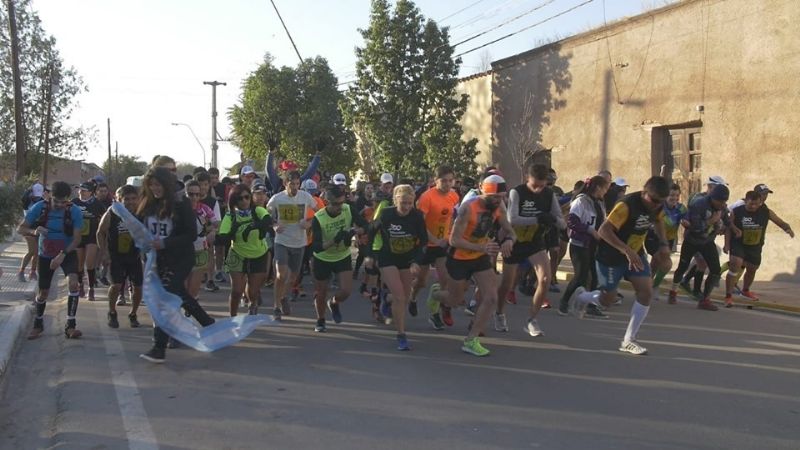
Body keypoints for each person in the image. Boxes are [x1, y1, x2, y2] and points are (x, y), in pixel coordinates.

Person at [425, 175, 516, 356]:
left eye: (502, 197)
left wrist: (509, 240)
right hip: (458, 258)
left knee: (491, 297)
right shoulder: (469, 208)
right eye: (495, 197)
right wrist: (481, 246)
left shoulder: (498, 207)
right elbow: (454, 239)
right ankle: (435, 295)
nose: (499, 201)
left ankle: (471, 340)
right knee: (455, 300)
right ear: (484, 192)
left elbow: (511, 231)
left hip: (480, 257)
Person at [596, 176, 671, 355]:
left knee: (646, 292)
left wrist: (664, 243)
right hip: (612, 255)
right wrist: (626, 250)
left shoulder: (657, 205)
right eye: (654, 200)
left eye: (661, 202)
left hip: (636, 253)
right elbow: (603, 231)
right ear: (644, 192)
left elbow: (659, 221)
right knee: (608, 299)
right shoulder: (626, 205)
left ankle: (629, 339)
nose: (656, 205)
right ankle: (584, 297)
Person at [495, 164, 565, 336]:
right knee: (507, 283)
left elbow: (561, 221)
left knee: (545, 278)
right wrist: (537, 218)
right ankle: (499, 312)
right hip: (514, 240)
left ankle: (532, 320)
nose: (538, 189)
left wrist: (553, 220)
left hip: (535, 241)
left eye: (542, 185)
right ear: (528, 178)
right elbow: (512, 219)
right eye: (535, 185)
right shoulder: (516, 192)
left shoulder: (548, 194)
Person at [18, 181, 84, 339]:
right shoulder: (39, 207)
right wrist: (34, 230)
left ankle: (70, 325)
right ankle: (38, 324)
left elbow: (77, 239)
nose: (60, 205)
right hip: (45, 255)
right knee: (43, 293)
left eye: (64, 201)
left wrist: (62, 254)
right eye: (56, 201)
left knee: (73, 282)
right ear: (49, 197)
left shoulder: (74, 211)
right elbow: (20, 228)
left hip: (67, 252)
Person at [368, 185, 427, 349]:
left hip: (407, 259)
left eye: (410, 203)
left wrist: (417, 260)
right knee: (400, 297)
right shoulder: (387, 214)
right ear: (395, 201)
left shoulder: (417, 216)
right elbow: (371, 231)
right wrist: (369, 255)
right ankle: (401, 335)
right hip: (388, 258)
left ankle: (386, 300)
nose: (407, 207)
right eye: (403, 203)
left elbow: (423, 241)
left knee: (404, 298)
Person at [310, 185, 369, 332]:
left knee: (347, 290)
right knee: (321, 292)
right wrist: (334, 241)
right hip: (322, 258)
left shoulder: (347, 209)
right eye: (335, 204)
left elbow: (366, 226)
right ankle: (320, 320)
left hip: (342, 255)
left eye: (342, 203)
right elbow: (316, 247)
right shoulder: (318, 218)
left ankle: (334, 302)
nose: (339, 207)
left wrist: (354, 231)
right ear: (326, 202)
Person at [724, 190, 794, 306]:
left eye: (756, 204)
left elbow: (778, 221)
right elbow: (728, 228)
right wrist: (727, 244)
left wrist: (787, 229)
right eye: (750, 204)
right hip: (739, 243)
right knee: (735, 264)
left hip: (755, 246)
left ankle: (745, 290)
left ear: (760, 203)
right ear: (745, 201)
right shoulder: (736, 211)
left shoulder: (766, 212)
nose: (753, 206)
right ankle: (728, 296)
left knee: (752, 268)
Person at [266, 170, 318, 320]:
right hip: (281, 241)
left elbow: (321, 213)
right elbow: (266, 216)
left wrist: (309, 223)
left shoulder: (305, 196)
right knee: (281, 275)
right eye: (292, 184)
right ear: (285, 184)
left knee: (293, 276)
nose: (295, 187)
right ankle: (276, 307)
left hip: (299, 243)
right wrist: (275, 225)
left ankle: (283, 297)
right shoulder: (277, 199)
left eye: (297, 184)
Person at [670, 183, 731, 311]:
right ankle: (673, 291)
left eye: (724, 201)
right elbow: (695, 228)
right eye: (719, 201)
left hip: (707, 242)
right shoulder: (699, 205)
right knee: (683, 266)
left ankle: (705, 299)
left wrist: (728, 228)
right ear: (713, 198)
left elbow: (727, 221)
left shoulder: (722, 208)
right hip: (692, 240)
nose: (722, 204)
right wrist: (711, 221)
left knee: (715, 270)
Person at [410, 165, 459, 320]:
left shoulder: (454, 196)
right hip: (426, 244)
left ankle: (438, 310)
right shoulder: (426, 197)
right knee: (421, 281)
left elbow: (454, 218)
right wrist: (435, 240)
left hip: (442, 244)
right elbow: (421, 225)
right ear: (435, 181)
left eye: (450, 181)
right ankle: (412, 297)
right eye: (443, 181)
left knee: (446, 280)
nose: (447, 184)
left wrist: (450, 236)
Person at [558, 175, 610, 317]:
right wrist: (590, 231)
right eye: (605, 188)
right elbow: (572, 221)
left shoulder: (599, 202)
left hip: (594, 245)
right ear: (598, 187)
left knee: (595, 276)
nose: (606, 191)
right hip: (580, 244)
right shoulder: (581, 201)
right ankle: (564, 301)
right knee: (580, 276)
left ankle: (591, 306)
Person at [217, 184, 272, 316]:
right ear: (234, 200)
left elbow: (267, 220)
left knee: (253, 292)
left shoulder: (257, 210)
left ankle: (252, 304)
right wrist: (232, 231)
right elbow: (223, 237)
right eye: (240, 198)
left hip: (258, 254)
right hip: (237, 254)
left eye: (247, 197)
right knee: (236, 291)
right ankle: (233, 318)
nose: (244, 201)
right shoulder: (230, 215)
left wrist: (252, 226)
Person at [96, 185, 143, 328]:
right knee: (116, 285)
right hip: (116, 255)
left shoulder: (141, 213)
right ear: (119, 200)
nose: (130, 202)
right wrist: (104, 252)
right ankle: (112, 312)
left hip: (134, 255)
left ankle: (133, 313)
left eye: (134, 199)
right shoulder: (112, 213)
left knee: (138, 287)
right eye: (126, 199)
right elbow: (100, 232)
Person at [185, 180, 219, 302]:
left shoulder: (205, 209)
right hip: (182, 251)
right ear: (185, 194)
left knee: (193, 289)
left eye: (197, 194)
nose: (194, 197)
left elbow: (216, 224)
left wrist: (212, 231)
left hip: (200, 250)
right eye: (190, 194)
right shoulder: (178, 209)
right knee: (182, 289)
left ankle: (189, 312)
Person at [72, 181, 106, 301]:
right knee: (79, 264)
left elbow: (105, 218)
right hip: (78, 237)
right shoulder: (74, 203)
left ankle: (91, 288)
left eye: (84, 190)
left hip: (91, 237)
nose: (81, 192)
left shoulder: (97, 204)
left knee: (89, 263)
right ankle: (81, 285)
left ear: (91, 192)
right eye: (80, 189)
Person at [18, 180, 44, 282]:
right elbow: (23, 198)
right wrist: (29, 189)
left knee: (37, 252)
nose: (37, 197)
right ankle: (21, 271)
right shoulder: (27, 201)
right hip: (28, 228)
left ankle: (33, 272)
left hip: (39, 229)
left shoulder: (42, 201)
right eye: (35, 194)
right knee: (32, 251)